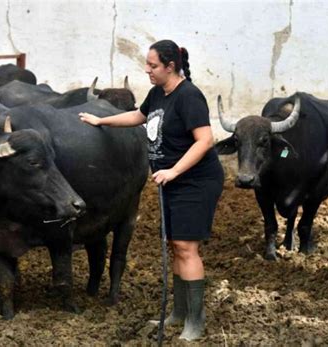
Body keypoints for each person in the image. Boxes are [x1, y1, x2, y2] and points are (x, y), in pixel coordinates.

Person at [79, 39, 224, 341]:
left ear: (170, 66)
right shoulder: (159, 93)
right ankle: (179, 313)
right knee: (175, 244)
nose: (147, 70)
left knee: (187, 247)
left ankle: (195, 322)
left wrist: (173, 170)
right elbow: (139, 116)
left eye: (153, 65)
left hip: (194, 181)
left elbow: (205, 141)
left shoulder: (189, 97)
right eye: (147, 64)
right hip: (170, 181)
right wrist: (101, 119)